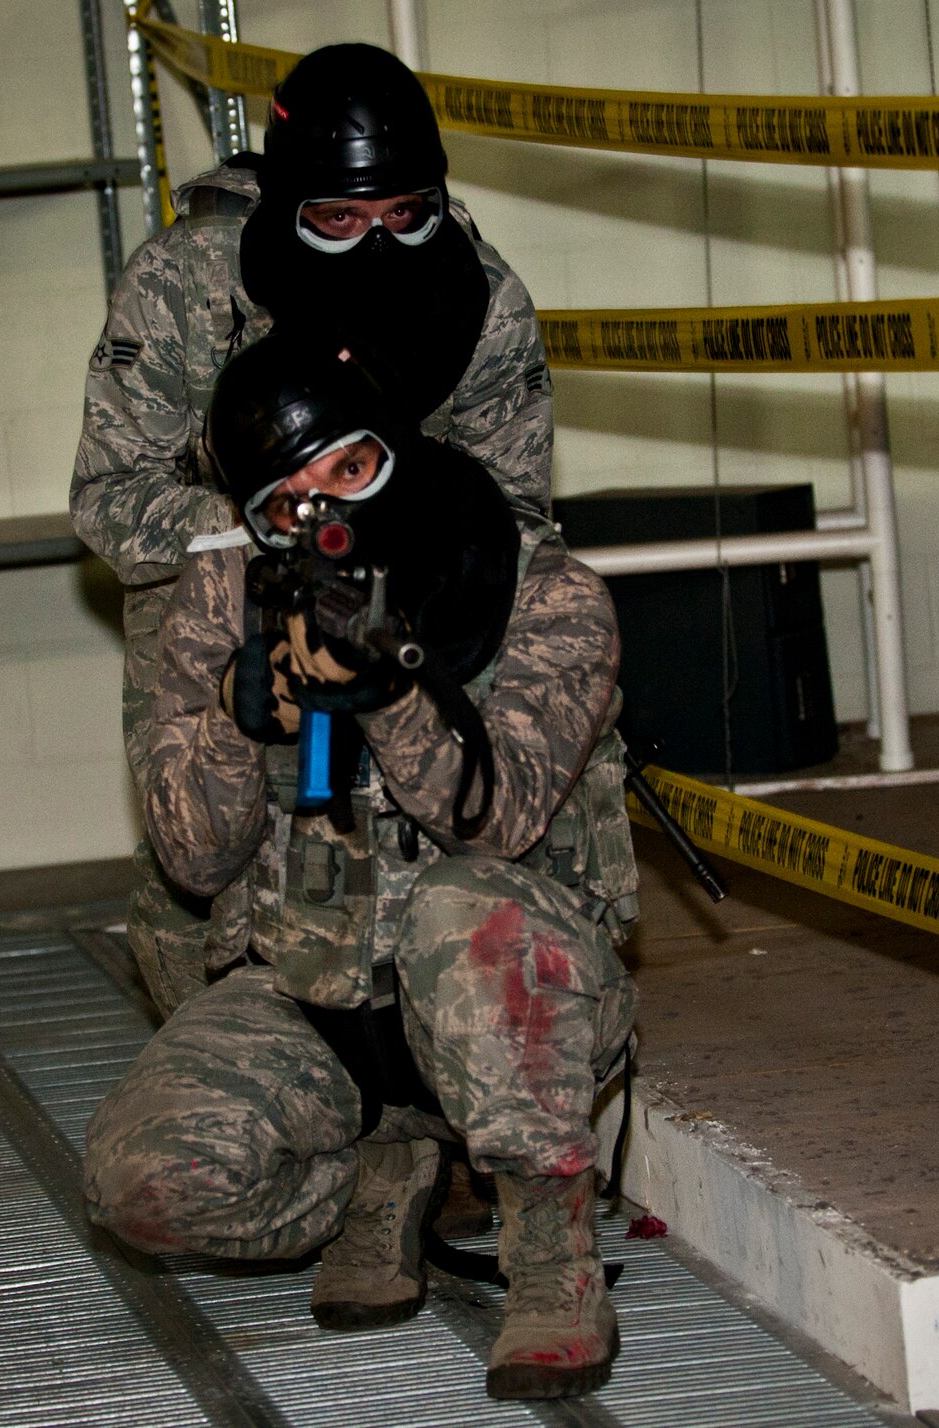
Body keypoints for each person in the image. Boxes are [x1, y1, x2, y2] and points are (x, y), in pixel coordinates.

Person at [82, 331, 638, 1401]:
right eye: (285, 503)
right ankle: (376, 1177)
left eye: (350, 468)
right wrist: (242, 722)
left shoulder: (540, 591)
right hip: (309, 987)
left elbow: (498, 818)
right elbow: (193, 860)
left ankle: (549, 1250)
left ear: (400, 449)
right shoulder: (219, 600)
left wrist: (390, 693)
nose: (325, 515)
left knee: (456, 908)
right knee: (145, 1186)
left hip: (509, 985)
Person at [71, 40, 554, 1019]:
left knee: (432, 820)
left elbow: (519, 516)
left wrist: (404, 577)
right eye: (337, 220)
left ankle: (403, 1073)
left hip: (416, 568)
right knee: (198, 858)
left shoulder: (480, 300)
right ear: (290, 206)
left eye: (402, 216)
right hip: (216, 567)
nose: (375, 244)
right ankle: (220, 1050)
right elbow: (111, 498)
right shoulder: (190, 281)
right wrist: (273, 542)